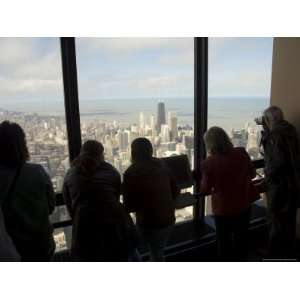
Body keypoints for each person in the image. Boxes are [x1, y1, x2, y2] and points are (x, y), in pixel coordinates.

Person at [63, 140, 138, 261]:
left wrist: (78, 218)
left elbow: (69, 203)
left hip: (85, 225)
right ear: (101, 154)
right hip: (115, 222)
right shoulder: (111, 170)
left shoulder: (71, 173)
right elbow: (116, 194)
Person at [200, 127, 259, 261]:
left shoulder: (208, 163)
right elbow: (253, 174)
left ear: (209, 144)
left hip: (224, 209)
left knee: (223, 241)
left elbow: (205, 190)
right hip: (244, 203)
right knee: (242, 238)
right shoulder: (241, 152)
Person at [0, 121, 56, 261]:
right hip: (42, 243)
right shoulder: (37, 171)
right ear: (22, 145)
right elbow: (51, 206)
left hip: (15, 248)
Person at [123, 138, 179, 262]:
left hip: (148, 223)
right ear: (150, 150)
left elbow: (128, 206)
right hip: (169, 219)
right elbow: (176, 190)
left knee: (133, 248)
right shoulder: (162, 165)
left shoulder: (131, 173)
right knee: (157, 251)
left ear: (133, 153)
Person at [259, 106, 300, 258]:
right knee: (289, 219)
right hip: (292, 183)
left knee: (275, 219)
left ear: (269, 120)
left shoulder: (274, 136)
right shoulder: (290, 130)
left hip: (279, 185)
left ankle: (273, 254)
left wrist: (267, 179)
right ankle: (289, 251)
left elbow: (275, 163)